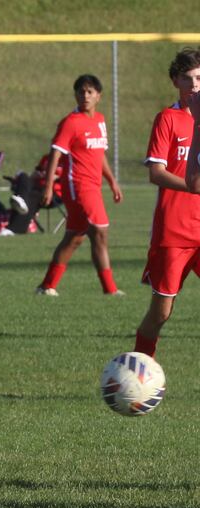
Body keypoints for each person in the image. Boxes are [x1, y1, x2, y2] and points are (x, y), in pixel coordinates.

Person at [133, 48, 200, 358]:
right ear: (175, 81)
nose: (194, 85)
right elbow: (156, 174)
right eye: (187, 79)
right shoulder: (168, 119)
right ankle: (139, 373)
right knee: (161, 312)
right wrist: (193, 187)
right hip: (174, 232)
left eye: (199, 78)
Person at [35, 74, 124, 296]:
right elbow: (55, 153)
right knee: (101, 231)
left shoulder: (100, 120)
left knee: (74, 237)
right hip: (78, 185)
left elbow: (99, 153)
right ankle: (111, 290)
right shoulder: (70, 123)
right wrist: (48, 187)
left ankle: (47, 286)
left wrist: (112, 181)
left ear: (98, 96)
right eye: (81, 92)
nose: (85, 96)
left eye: (90, 92)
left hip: (94, 186)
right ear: (75, 95)